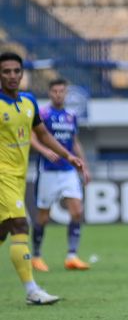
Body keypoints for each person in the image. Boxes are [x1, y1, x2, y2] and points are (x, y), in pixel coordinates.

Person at [0, 52, 83, 305]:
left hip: (19, 176)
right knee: (20, 225)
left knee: (3, 232)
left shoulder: (28, 102)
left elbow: (43, 134)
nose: (12, 76)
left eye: (16, 71)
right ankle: (32, 290)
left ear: (22, 73)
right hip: (2, 176)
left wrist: (68, 155)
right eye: (6, 71)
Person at [30, 78, 91, 272]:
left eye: (62, 91)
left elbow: (74, 142)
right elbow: (33, 137)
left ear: (66, 93)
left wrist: (84, 166)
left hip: (68, 171)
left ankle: (72, 256)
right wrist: (44, 150)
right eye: (55, 91)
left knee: (77, 211)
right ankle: (36, 256)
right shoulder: (43, 114)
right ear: (50, 93)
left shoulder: (71, 116)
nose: (58, 94)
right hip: (47, 171)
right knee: (43, 217)